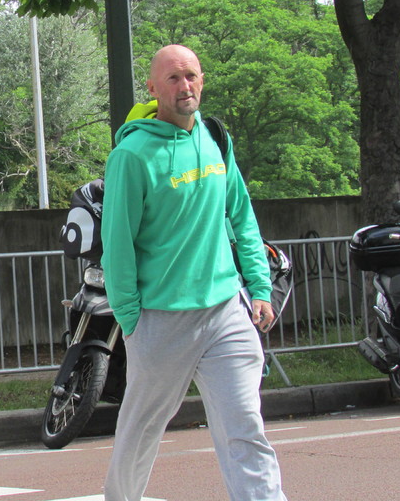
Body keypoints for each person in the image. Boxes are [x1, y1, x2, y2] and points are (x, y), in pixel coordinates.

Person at [100, 45, 286, 501]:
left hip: (225, 312)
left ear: (202, 79)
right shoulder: (132, 155)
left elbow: (241, 215)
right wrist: (131, 320)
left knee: (245, 427)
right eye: (173, 78)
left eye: (191, 76)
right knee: (141, 433)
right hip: (161, 320)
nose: (185, 86)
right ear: (153, 88)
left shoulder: (214, 136)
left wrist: (259, 287)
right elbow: (117, 245)